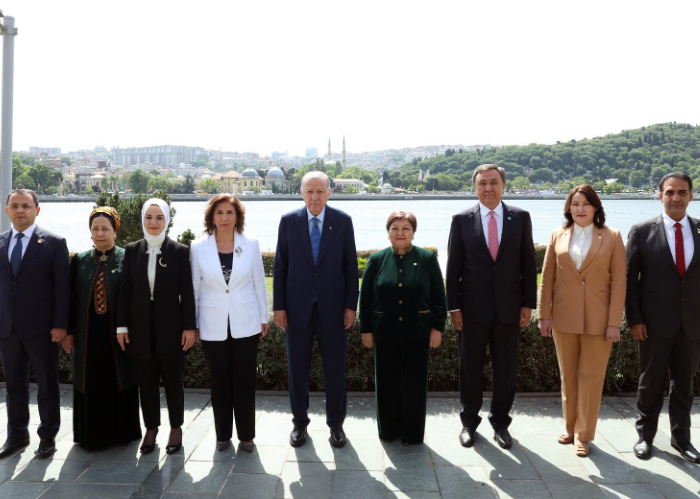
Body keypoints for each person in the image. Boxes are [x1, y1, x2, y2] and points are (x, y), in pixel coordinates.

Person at [446, 164, 537, 449]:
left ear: (503, 185)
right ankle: (469, 422)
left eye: (493, 182)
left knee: (506, 369)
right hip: (471, 310)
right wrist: (454, 307)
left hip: (509, 309)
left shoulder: (520, 217)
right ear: (475, 188)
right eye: (482, 183)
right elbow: (453, 268)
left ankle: (500, 422)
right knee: (470, 368)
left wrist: (528, 303)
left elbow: (528, 263)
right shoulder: (461, 219)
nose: (488, 188)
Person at [537, 185, 626, 457]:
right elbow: (547, 278)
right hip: (564, 316)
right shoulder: (558, 235)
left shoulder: (612, 236)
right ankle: (570, 427)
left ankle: (584, 435)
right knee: (569, 376)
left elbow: (620, 283)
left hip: (599, 319)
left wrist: (614, 322)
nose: (580, 209)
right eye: (575, 204)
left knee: (591, 377)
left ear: (596, 207)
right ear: (568, 208)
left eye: (585, 204)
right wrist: (543, 315)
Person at [273, 171, 359, 448]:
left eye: (320, 191)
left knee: (335, 371)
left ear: (329, 192)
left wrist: (350, 306)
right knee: (297, 370)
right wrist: (279, 307)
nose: (315, 197)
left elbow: (350, 267)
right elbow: (280, 267)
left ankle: (336, 425)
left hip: (333, 310)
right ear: (301, 193)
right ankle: (299, 424)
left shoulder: (343, 222)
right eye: (309, 191)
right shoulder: (288, 222)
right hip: (297, 310)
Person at [626, 172, 700, 464]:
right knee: (651, 382)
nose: (676, 198)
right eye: (670, 192)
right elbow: (630, 281)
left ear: (691, 196)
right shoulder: (642, 230)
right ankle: (645, 437)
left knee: (684, 384)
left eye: (682, 192)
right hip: (654, 323)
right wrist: (634, 319)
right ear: (660, 196)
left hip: (693, 323)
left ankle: (682, 439)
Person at [116, 198, 196, 455]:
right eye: (149, 217)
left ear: (167, 220)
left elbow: (188, 293)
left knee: (173, 381)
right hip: (138, 329)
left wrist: (189, 328)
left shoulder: (179, 251)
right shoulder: (131, 250)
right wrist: (121, 327)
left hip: (171, 328)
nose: (153, 222)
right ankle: (151, 428)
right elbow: (125, 291)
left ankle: (176, 427)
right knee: (146, 382)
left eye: (159, 217)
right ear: (143, 219)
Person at [359, 211, 446, 444]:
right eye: (395, 228)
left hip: (418, 332)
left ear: (413, 232)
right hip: (384, 332)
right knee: (386, 384)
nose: (400, 233)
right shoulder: (377, 259)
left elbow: (439, 296)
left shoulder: (427, 258)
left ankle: (412, 433)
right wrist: (365, 329)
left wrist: (437, 328)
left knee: (414, 385)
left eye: (405, 228)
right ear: (388, 232)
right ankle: (388, 431)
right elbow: (365, 298)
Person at [190, 194, 269, 453]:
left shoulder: (251, 244)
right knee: (219, 381)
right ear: (211, 217)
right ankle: (222, 435)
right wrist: (193, 323)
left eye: (230, 212)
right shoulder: (198, 247)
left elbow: (259, 282)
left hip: (246, 322)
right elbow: (194, 288)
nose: (225, 217)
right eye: (219, 213)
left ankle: (246, 436)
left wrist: (263, 317)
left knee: (245, 381)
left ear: (238, 217)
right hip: (211, 323)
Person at [62, 207, 141, 450]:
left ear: (115, 230)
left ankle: (121, 433)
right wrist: (69, 332)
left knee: (120, 377)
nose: (100, 233)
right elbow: (71, 298)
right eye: (95, 229)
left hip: (118, 335)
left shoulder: (128, 258)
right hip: (87, 334)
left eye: (105, 228)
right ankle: (92, 436)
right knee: (89, 379)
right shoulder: (80, 261)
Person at [0, 189, 70, 459]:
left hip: (42, 329)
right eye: (15, 206)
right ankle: (17, 435)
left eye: (26, 206)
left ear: (37, 210)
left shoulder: (53, 243)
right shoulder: (1, 242)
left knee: (47, 385)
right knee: (14, 387)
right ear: (7, 211)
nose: (20, 210)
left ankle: (48, 436)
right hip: (7, 329)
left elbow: (62, 290)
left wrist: (61, 325)